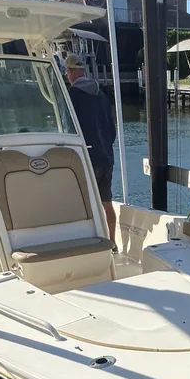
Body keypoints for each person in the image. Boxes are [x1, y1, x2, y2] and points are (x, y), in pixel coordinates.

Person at [65, 54, 117, 248]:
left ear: (70, 72)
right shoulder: (101, 94)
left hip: (87, 158)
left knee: (85, 206)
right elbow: (112, 130)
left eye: (67, 73)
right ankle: (112, 242)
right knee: (107, 203)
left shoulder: (72, 96)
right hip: (106, 157)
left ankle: (91, 246)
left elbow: (68, 129)